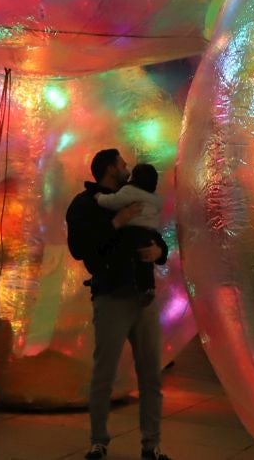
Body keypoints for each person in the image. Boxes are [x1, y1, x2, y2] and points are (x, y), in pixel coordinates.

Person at [66, 148, 172, 460]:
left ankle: (151, 447)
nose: (128, 167)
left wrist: (159, 251)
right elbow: (79, 248)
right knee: (104, 374)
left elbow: (154, 233)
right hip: (111, 296)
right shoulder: (86, 204)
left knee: (151, 374)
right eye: (123, 163)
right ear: (111, 168)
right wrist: (116, 222)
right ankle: (98, 442)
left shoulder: (138, 196)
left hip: (144, 296)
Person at [94, 162, 167, 300]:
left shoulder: (129, 191)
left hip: (134, 231)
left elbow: (113, 201)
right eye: (123, 166)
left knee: (136, 257)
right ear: (110, 168)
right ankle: (147, 288)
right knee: (145, 261)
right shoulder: (155, 198)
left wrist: (99, 197)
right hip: (148, 232)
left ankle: (139, 288)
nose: (127, 170)